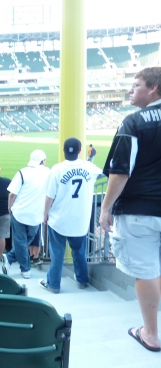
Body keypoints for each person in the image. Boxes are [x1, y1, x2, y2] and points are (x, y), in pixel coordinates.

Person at [99, 67, 161, 352]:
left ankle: (150, 333)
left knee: (146, 272)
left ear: (154, 88)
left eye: (136, 85)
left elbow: (120, 172)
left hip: (140, 212)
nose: (130, 90)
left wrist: (105, 207)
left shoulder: (134, 121)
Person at [39, 138, 103, 294]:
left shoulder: (57, 169)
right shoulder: (88, 167)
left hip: (58, 220)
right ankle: (82, 280)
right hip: (80, 220)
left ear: (63, 150)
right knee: (79, 252)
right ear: (80, 150)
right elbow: (104, 174)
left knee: (57, 254)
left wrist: (45, 214)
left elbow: (49, 196)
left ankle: (53, 285)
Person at [2, 150, 50, 279]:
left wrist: (9, 207)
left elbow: (12, 194)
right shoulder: (48, 173)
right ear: (43, 161)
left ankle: (10, 257)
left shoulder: (22, 172)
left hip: (20, 213)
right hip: (36, 215)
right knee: (24, 240)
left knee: (21, 241)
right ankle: (25, 269)